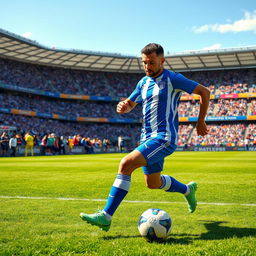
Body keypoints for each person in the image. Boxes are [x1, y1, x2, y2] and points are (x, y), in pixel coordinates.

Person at [80, 43, 210, 232]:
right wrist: (124, 107)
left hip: (164, 137)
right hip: (147, 138)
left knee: (125, 164)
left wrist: (200, 122)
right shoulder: (143, 82)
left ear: (162, 61)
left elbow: (204, 92)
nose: (147, 67)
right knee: (153, 183)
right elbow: (130, 103)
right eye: (144, 63)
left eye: (151, 62)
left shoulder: (173, 78)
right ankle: (188, 190)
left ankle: (106, 216)